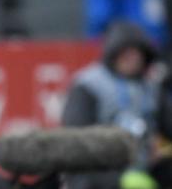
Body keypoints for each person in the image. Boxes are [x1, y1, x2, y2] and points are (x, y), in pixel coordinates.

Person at [62, 21, 159, 189]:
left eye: (137, 54)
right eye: (126, 54)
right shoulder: (89, 85)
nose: (133, 60)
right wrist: (118, 179)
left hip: (141, 166)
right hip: (99, 169)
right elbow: (75, 139)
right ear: (114, 53)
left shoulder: (150, 87)